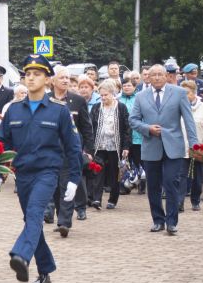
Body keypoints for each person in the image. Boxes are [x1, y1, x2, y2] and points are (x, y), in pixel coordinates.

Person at [0, 54, 82, 283]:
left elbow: (73, 147)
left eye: (37, 74)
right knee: (31, 221)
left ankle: (21, 256)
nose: (31, 78)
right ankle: (45, 271)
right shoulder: (14, 111)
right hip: (22, 174)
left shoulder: (59, 111)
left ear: (48, 80)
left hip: (47, 173)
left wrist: (74, 179)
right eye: (28, 74)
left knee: (35, 213)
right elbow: (2, 145)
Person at [129, 64, 198, 235]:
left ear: (167, 76)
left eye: (161, 74)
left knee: (171, 182)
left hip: (173, 146)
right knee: (153, 186)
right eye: (154, 75)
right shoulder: (140, 97)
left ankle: (172, 222)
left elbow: (189, 120)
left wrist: (194, 143)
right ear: (149, 78)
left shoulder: (179, 93)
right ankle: (158, 220)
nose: (158, 77)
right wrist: (148, 129)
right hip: (151, 146)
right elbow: (133, 120)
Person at [45, 65, 93, 236]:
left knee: (68, 185)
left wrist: (88, 149)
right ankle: (60, 216)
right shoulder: (44, 99)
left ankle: (64, 222)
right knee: (55, 187)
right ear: (52, 81)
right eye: (62, 77)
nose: (65, 80)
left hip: (70, 151)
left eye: (68, 77)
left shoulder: (77, 100)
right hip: (49, 151)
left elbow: (86, 128)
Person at [90, 80, 131, 210]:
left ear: (113, 94)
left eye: (105, 95)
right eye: (101, 95)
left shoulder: (121, 107)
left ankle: (113, 199)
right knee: (98, 172)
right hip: (99, 145)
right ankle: (96, 199)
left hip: (115, 146)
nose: (103, 98)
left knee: (115, 173)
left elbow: (127, 129)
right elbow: (90, 127)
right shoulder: (96, 107)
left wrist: (125, 147)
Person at [176, 80, 203, 211]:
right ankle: (180, 202)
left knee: (197, 177)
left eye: (187, 93)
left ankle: (195, 200)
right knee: (181, 175)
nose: (184, 95)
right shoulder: (177, 107)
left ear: (194, 93)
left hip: (198, 147)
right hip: (181, 146)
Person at [120, 78, 145, 194]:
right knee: (126, 162)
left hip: (137, 135)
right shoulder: (118, 99)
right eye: (124, 85)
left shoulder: (139, 99)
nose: (127, 87)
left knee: (139, 160)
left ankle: (141, 184)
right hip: (123, 136)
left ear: (134, 87)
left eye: (129, 85)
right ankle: (126, 185)